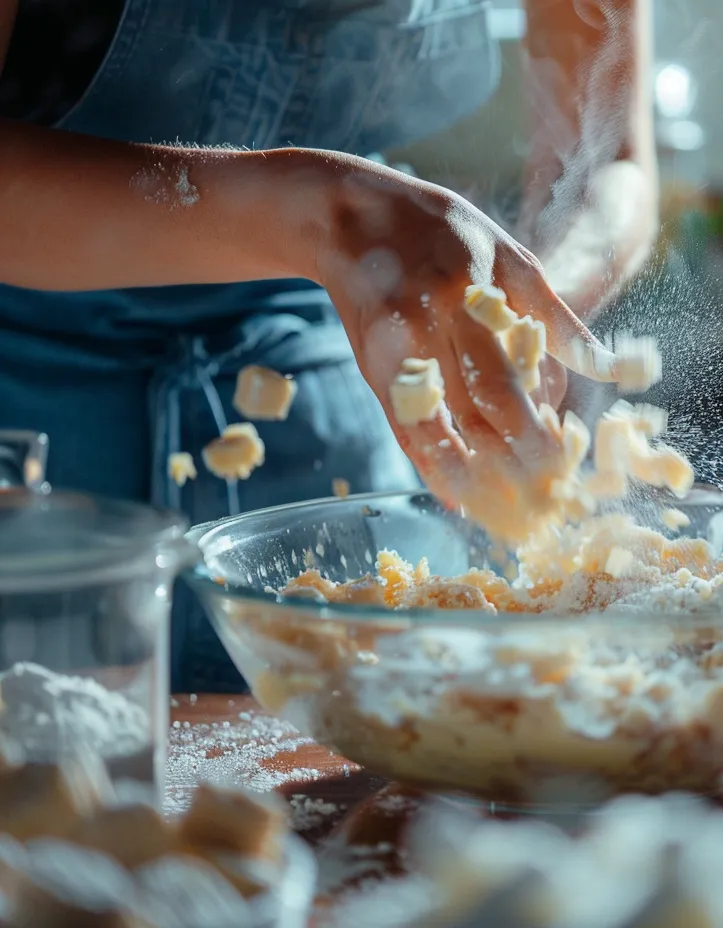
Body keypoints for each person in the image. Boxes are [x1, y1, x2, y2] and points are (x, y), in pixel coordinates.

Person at [0, 0, 658, 691]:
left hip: (332, 410)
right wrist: (326, 213)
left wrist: (517, 303)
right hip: (36, 431)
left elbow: (611, 165)